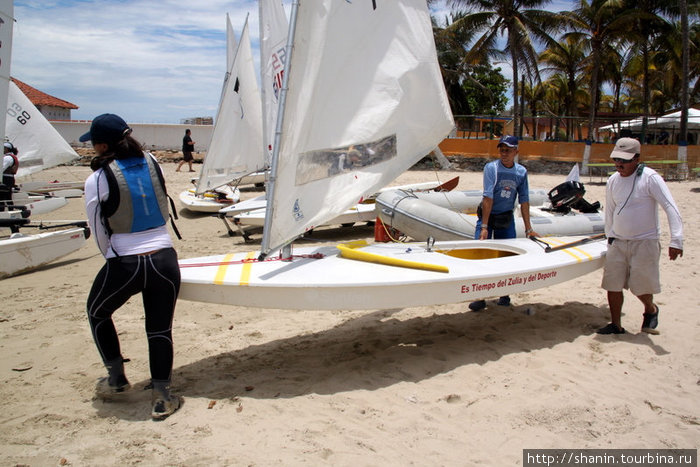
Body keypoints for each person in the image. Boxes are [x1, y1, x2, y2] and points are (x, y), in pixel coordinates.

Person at [80, 113, 183, 420]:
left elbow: (98, 228)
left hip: (126, 262)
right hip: (165, 259)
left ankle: (116, 379)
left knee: (97, 312)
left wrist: (113, 258)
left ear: (101, 145)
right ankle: (162, 397)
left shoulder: (97, 178)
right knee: (159, 328)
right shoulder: (153, 161)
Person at [597, 137, 683, 335]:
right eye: (616, 159)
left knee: (640, 287)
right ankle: (616, 325)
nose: (619, 164)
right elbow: (610, 211)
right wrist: (609, 237)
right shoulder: (612, 181)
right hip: (617, 241)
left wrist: (676, 240)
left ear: (636, 158)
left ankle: (651, 310)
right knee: (613, 284)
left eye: (624, 160)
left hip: (645, 241)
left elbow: (670, 207)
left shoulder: (650, 178)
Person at [469, 135, 540, 311]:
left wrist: (529, 228)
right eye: (502, 149)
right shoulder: (491, 168)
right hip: (488, 216)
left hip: (506, 218)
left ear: (516, 151)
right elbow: (488, 197)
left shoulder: (521, 172)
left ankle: (504, 295)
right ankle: (480, 297)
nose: (504, 153)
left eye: (508, 150)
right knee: (481, 255)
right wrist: (484, 227)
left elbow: (524, 200)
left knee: (507, 257)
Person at [1, 142, 19, 209]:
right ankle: (10, 211)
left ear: (7, 149)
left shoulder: (8, 157)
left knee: (3, 197)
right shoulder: (11, 156)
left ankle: (3, 212)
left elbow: (1, 168)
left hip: (6, 179)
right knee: (7, 197)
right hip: (8, 179)